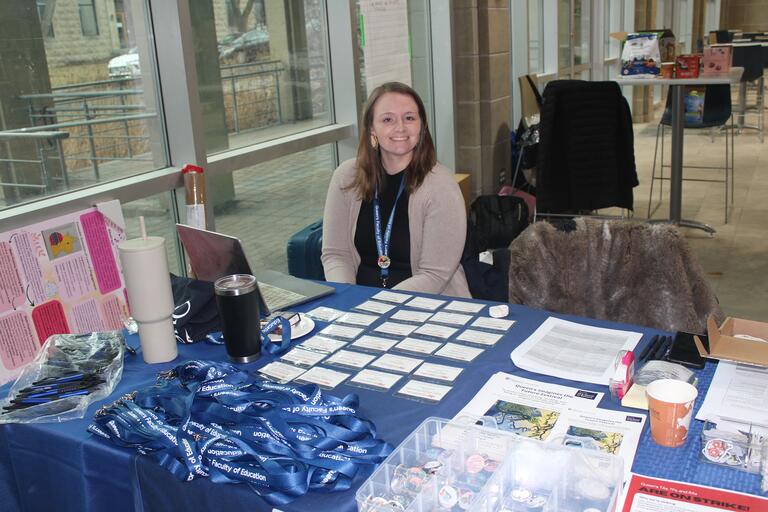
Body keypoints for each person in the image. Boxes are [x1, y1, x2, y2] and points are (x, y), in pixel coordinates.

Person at [321, 82, 470, 297]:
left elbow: (434, 275)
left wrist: (379, 304)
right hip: (359, 301)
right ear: (372, 128)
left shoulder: (441, 187)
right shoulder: (346, 178)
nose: (400, 127)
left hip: (427, 304)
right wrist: (349, 298)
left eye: (409, 118)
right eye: (387, 119)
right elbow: (336, 254)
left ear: (421, 126)